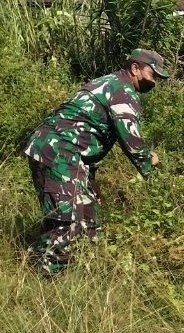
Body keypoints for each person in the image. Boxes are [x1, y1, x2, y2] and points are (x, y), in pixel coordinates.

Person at [22, 48, 169, 275]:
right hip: (59, 152)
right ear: (135, 68)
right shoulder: (122, 91)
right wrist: (151, 164)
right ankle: (49, 279)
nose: (155, 82)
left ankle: (86, 270)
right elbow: (131, 140)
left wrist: (89, 178)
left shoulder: (110, 83)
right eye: (153, 74)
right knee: (66, 219)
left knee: (88, 213)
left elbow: (86, 133)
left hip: (61, 151)